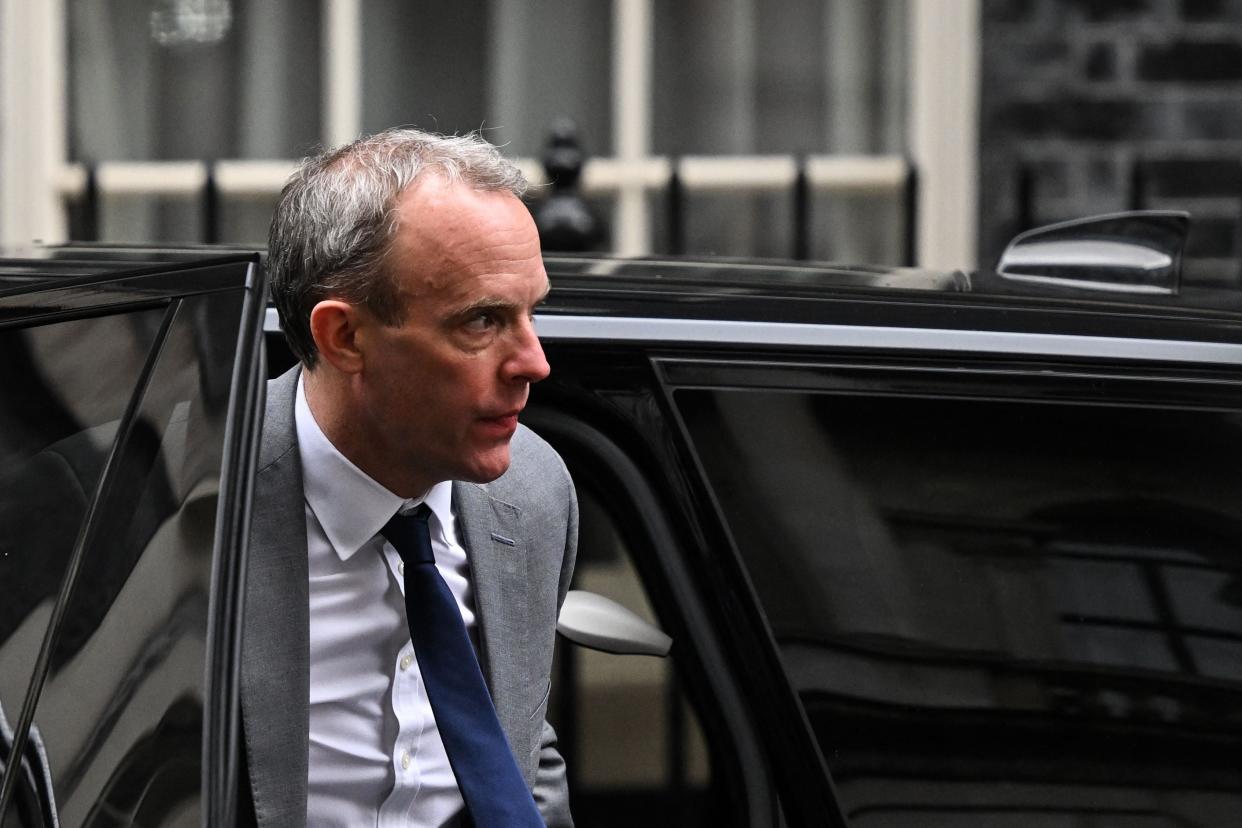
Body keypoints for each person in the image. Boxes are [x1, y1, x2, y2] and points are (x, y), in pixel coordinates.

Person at [240, 128, 578, 827]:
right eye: (483, 321)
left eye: (532, 312)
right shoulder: (190, 501)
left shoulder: (535, 488)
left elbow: (519, 743)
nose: (534, 363)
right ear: (345, 338)